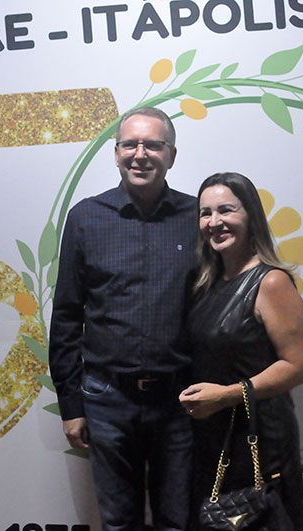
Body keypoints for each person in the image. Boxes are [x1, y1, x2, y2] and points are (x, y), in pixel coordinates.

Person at [49, 107, 197, 531]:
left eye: (153, 145)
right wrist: (71, 406)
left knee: (179, 521)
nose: (140, 154)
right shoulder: (86, 217)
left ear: (171, 155)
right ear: (116, 154)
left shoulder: (197, 217)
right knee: (118, 523)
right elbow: (66, 317)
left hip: (180, 401)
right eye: (130, 144)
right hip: (107, 400)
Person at [179, 172, 303, 530]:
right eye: (205, 213)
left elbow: (299, 365)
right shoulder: (205, 284)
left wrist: (225, 395)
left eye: (226, 210)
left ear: (251, 215)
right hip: (211, 439)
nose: (214, 222)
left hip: (259, 440)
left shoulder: (271, 282)